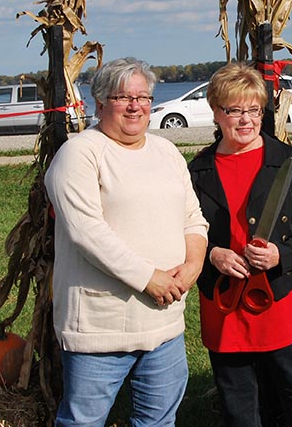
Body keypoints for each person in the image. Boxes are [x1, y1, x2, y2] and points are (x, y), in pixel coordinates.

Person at [45, 57, 209, 427]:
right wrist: (149, 278)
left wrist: (194, 265)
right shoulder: (80, 153)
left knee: (157, 422)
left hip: (164, 323)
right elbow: (87, 232)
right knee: (83, 422)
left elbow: (193, 218)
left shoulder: (165, 151)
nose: (135, 106)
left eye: (144, 97)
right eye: (123, 97)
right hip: (101, 327)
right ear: (100, 103)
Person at [188, 63, 292, 427]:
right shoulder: (197, 170)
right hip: (225, 303)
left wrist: (281, 254)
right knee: (239, 406)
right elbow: (182, 230)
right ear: (216, 110)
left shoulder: (290, 163)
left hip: (283, 301)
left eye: (254, 110)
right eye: (235, 110)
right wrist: (211, 254)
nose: (247, 120)